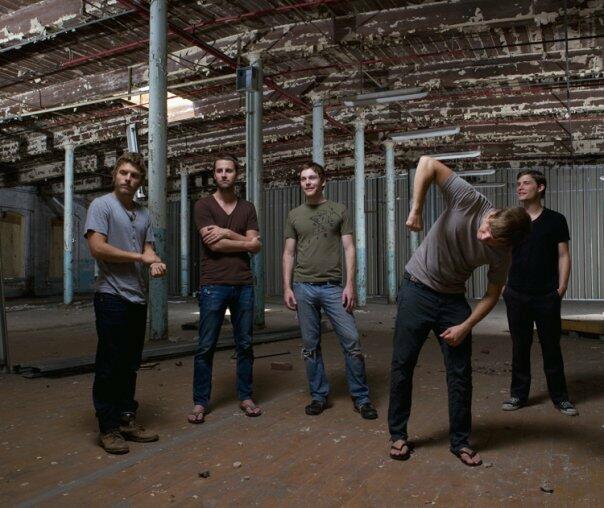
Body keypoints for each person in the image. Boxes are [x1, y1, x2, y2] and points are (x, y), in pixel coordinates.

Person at [388, 156, 531, 466]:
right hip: (416, 288)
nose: (484, 237)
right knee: (402, 363)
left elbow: (492, 294)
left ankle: (461, 442)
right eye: (487, 229)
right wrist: (416, 209)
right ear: (493, 215)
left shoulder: (503, 253)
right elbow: (427, 163)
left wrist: (466, 325)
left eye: (492, 240)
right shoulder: (470, 199)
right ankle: (398, 434)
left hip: (452, 299)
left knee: (460, 372)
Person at [85, 151, 166, 455]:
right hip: (111, 296)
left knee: (130, 364)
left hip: (137, 297)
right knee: (110, 363)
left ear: (140, 182)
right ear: (115, 175)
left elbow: (149, 250)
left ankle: (126, 418)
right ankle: (108, 428)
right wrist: (140, 257)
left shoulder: (143, 214)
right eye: (123, 173)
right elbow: (97, 248)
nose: (128, 179)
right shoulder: (101, 206)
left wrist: (155, 262)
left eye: (134, 175)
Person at [282, 161, 378, 420]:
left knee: (352, 342)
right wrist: (287, 287)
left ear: (323, 181)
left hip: (333, 287)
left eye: (312, 178)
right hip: (303, 287)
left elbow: (349, 248)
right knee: (310, 346)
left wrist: (350, 284)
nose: (307, 182)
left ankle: (361, 398)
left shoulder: (339, 210)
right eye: (303, 179)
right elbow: (289, 253)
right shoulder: (294, 215)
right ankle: (319, 396)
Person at [189, 154, 262, 424]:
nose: (223, 174)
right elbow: (214, 245)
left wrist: (228, 233)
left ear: (236, 174)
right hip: (213, 284)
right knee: (206, 345)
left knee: (245, 344)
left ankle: (246, 396)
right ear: (214, 175)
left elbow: (256, 246)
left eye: (228, 170)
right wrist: (246, 243)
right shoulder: (203, 205)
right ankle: (200, 401)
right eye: (219, 170)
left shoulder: (247, 208)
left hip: (243, 284)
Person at [501, 170, 577, 416]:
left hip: (546, 295)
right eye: (518, 184)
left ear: (540, 187)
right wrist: (503, 285)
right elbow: (504, 254)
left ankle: (561, 398)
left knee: (551, 347)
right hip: (516, 293)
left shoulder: (555, 220)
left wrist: (561, 287)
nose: (520, 187)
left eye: (526, 183)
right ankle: (518, 395)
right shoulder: (513, 219)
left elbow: (563, 255)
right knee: (519, 347)